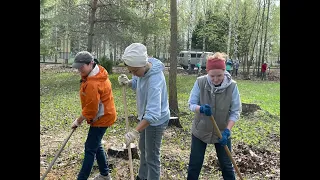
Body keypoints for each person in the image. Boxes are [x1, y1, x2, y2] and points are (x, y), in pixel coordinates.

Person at [118, 43, 170, 180]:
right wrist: (129, 82)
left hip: (156, 121)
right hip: (145, 118)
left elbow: (153, 114)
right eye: (130, 72)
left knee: (152, 156)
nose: (133, 74)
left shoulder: (155, 80)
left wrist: (135, 132)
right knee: (143, 148)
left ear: (143, 65)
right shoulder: (142, 69)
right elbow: (137, 82)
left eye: (134, 71)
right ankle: (142, 177)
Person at [187, 52, 242, 180]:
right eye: (212, 76)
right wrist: (200, 108)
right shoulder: (200, 82)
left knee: (227, 166)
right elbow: (191, 104)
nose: (216, 79)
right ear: (207, 72)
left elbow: (235, 111)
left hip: (222, 132)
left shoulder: (232, 86)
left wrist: (227, 131)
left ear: (224, 71)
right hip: (200, 131)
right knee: (195, 165)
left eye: (219, 75)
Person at [71, 51, 116, 180]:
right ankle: (105, 174)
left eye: (81, 67)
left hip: (102, 117)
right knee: (96, 145)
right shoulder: (97, 72)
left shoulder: (93, 82)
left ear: (91, 63)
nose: (79, 70)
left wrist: (78, 121)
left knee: (90, 148)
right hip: (104, 114)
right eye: (77, 67)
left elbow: (91, 109)